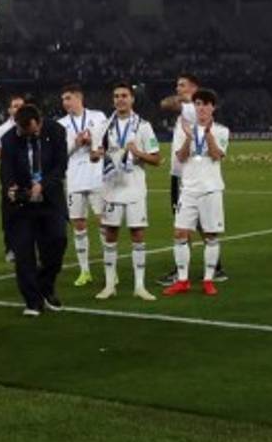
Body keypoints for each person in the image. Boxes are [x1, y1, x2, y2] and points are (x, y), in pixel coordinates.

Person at [1, 103, 70, 314]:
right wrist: (11, 187)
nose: (24, 134)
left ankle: (45, 287)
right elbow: (6, 169)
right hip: (21, 206)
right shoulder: (10, 139)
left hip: (50, 200)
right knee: (24, 254)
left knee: (58, 242)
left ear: (38, 123)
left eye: (29, 130)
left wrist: (43, 184)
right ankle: (32, 301)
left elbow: (61, 165)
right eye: (21, 130)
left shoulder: (56, 131)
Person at [158, 74, 227, 284]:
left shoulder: (190, 109)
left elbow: (164, 104)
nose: (178, 89)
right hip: (181, 174)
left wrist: (185, 99)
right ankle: (200, 270)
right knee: (185, 225)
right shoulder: (188, 111)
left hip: (191, 178)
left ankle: (207, 268)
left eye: (182, 85)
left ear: (194, 88)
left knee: (194, 226)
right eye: (177, 85)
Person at [97, 83, 162, 301]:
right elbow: (95, 155)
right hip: (112, 189)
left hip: (134, 189)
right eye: (116, 96)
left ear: (132, 99)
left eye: (124, 95)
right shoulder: (105, 126)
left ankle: (140, 286)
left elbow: (157, 159)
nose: (120, 99)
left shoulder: (143, 126)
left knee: (138, 235)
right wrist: (96, 155)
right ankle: (109, 285)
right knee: (110, 235)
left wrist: (138, 153)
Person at [57, 83, 109, 287]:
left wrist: (96, 146)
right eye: (63, 100)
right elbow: (61, 155)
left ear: (79, 98)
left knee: (104, 223)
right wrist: (77, 144)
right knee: (79, 225)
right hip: (75, 179)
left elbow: (108, 143)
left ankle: (109, 268)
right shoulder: (61, 124)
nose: (64, 103)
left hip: (98, 177)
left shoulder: (98, 116)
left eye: (68, 98)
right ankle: (84, 270)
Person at [0, 94, 27, 263]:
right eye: (15, 106)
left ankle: (27, 247)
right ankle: (11, 248)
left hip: (28, 175)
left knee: (29, 213)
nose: (18, 109)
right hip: (9, 176)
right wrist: (11, 154)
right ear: (10, 110)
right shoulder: (3, 129)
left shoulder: (31, 126)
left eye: (21, 106)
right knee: (9, 213)